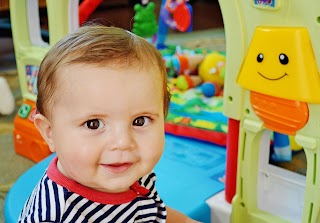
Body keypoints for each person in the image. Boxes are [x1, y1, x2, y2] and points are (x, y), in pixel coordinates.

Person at [18, 25, 200, 223]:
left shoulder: (130, 171)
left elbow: (152, 209)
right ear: (50, 133)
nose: (123, 142)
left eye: (140, 121)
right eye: (93, 124)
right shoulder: (57, 216)